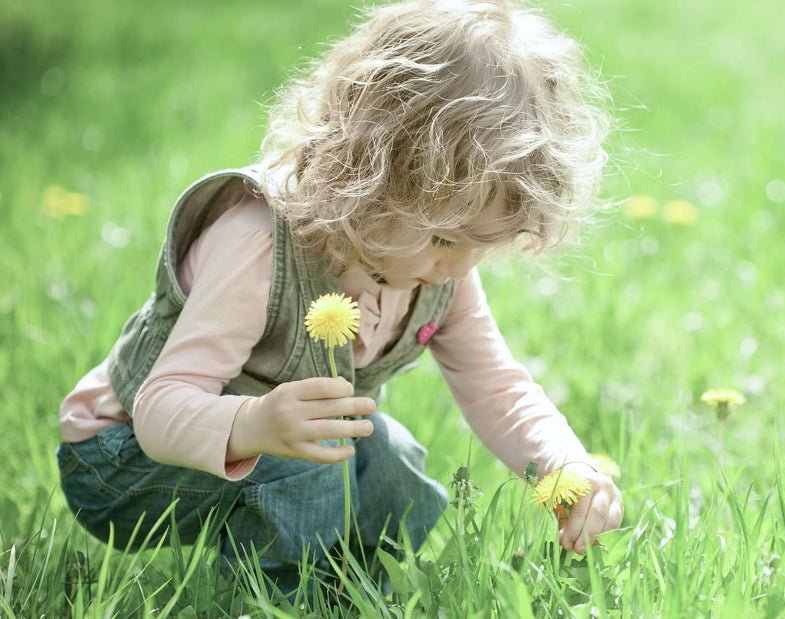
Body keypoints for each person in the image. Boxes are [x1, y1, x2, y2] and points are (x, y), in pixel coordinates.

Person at [56, 0, 623, 593]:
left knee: (391, 455)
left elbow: (497, 387)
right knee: (313, 452)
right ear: (370, 180)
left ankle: (358, 587)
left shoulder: (441, 269)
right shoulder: (258, 244)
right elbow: (160, 408)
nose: (457, 266)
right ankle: (279, 599)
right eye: (443, 236)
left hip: (266, 446)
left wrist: (565, 465)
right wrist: (254, 423)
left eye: (483, 244)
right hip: (121, 461)